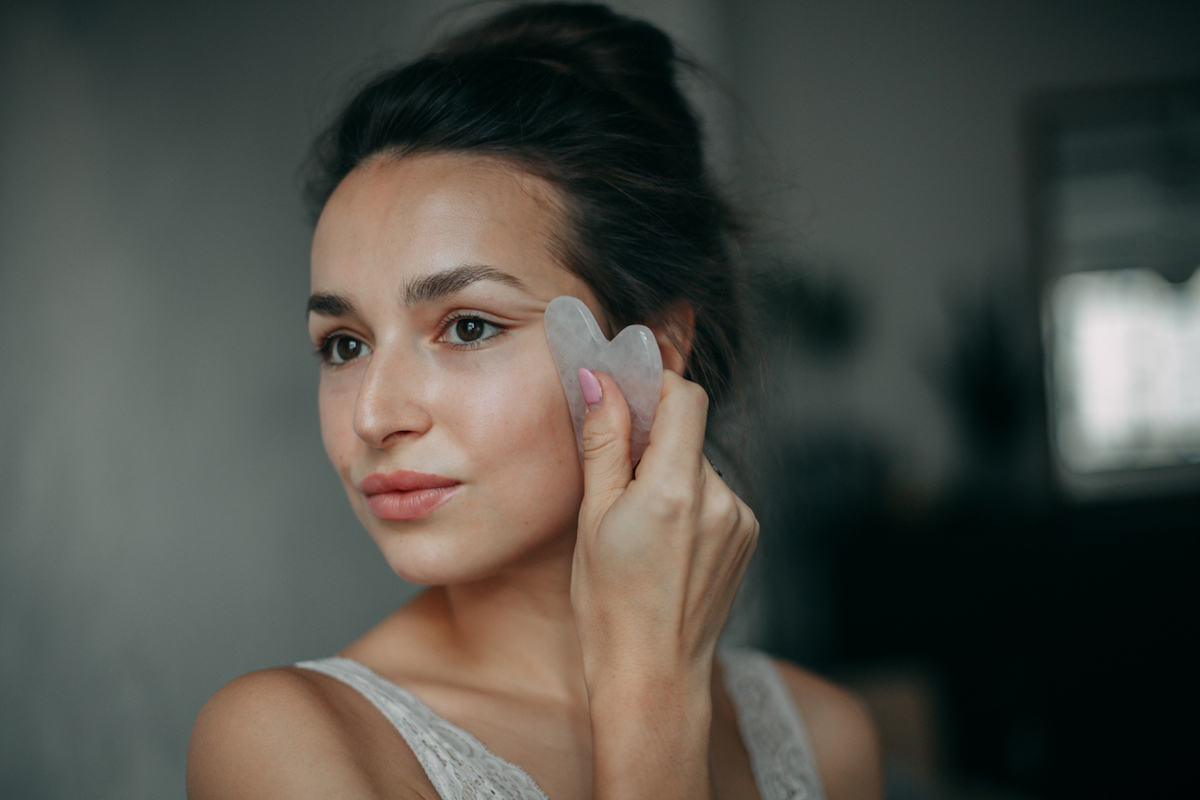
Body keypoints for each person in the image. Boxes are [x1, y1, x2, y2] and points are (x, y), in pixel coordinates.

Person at [186, 3, 883, 798]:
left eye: (469, 325)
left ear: (653, 351)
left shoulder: (826, 738)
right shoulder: (288, 745)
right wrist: (648, 696)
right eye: (344, 344)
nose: (373, 416)